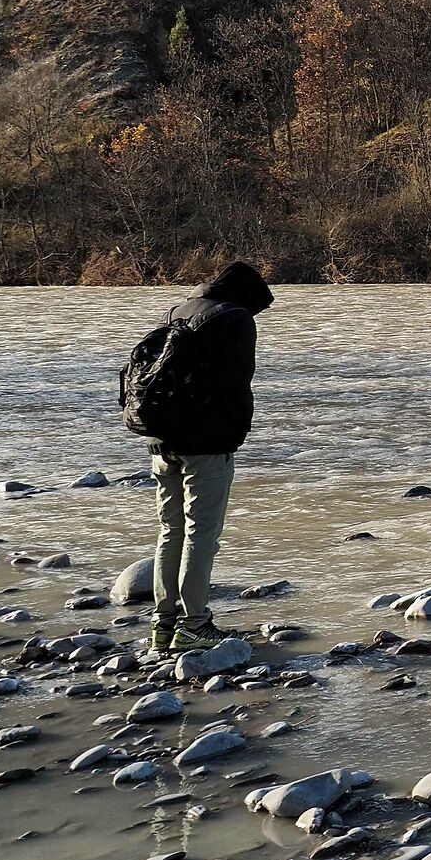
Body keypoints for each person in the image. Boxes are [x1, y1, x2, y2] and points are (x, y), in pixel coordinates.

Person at [146, 261, 273, 655]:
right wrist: (233, 435)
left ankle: (162, 625)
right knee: (202, 533)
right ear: (248, 297)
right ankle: (195, 624)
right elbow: (237, 385)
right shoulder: (234, 318)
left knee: (171, 531)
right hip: (207, 443)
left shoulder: (178, 311)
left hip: (161, 439)